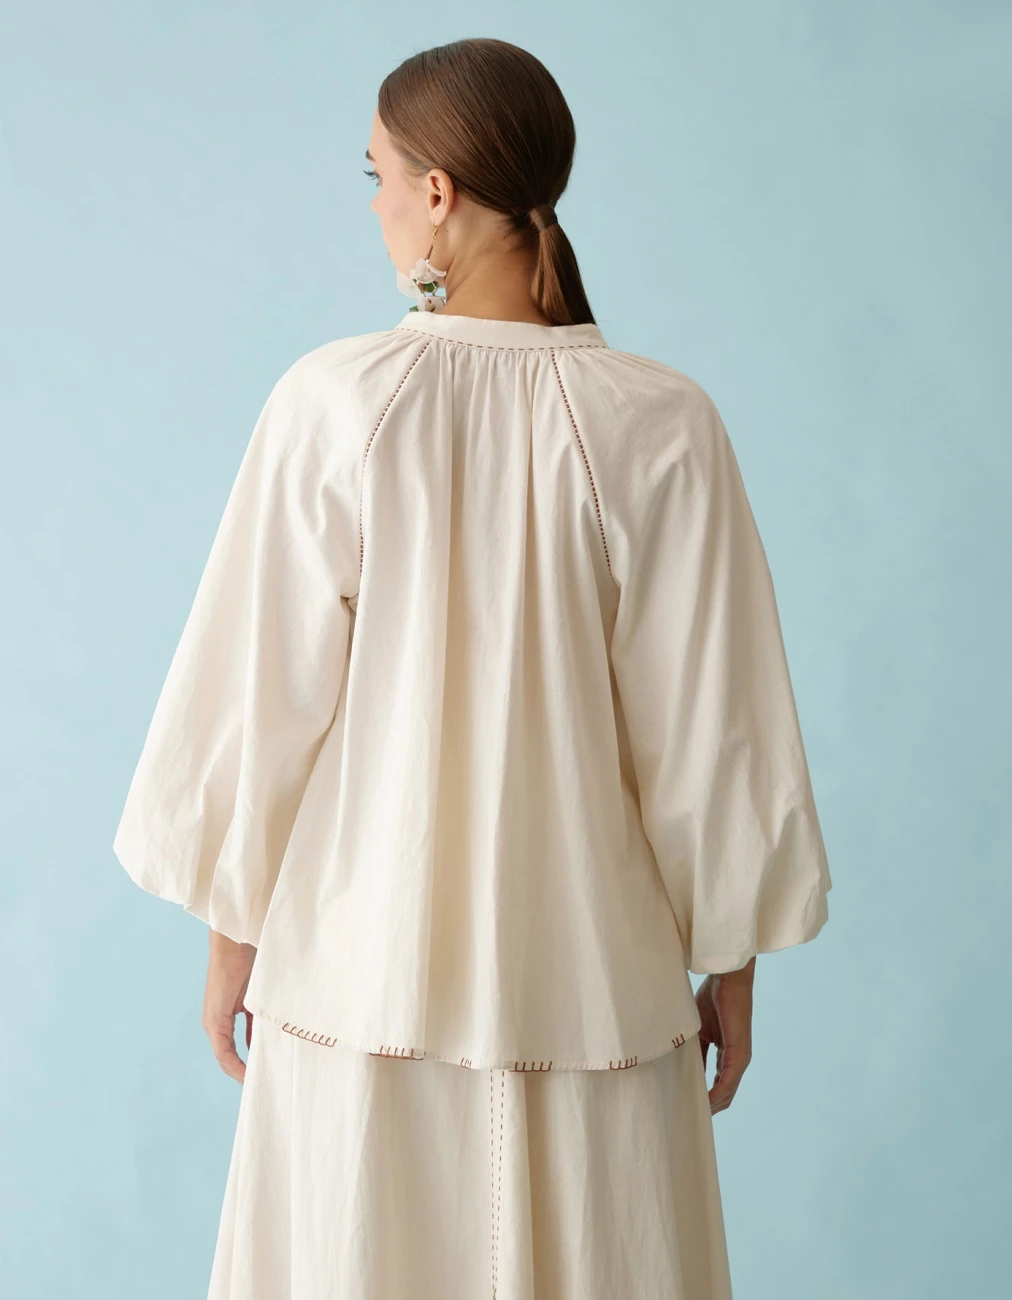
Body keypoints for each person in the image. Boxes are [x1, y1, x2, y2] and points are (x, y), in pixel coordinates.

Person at [112, 36, 832, 1300]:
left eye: (377, 175)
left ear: (436, 192)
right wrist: (733, 954)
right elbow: (713, 722)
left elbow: (256, 694)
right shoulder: (660, 421)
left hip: (355, 984)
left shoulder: (336, 402)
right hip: (598, 998)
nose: (376, 206)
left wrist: (233, 935)